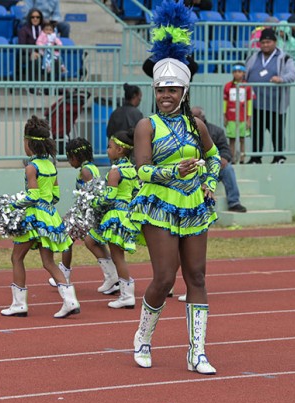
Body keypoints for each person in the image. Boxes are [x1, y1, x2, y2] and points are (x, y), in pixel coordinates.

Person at [129, 0, 219, 375]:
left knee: (196, 276)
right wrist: (173, 172)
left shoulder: (197, 126)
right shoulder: (146, 126)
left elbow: (214, 157)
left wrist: (209, 182)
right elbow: (142, 171)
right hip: (159, 205)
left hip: (194, 205)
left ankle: (197, 352)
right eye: (161, 89)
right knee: (165, 277)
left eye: (172, 89)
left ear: (184, 91)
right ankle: (143, 337)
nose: (166, 95)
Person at [1, 115, 79, 319]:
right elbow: (56, 196)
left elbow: (33, 196)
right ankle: (70, 300)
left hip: (34, 217)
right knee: (48, 262)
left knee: (17, 257)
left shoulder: (31, 167)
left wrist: (11, 205)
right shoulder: (51, 166)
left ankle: (19, 305)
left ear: (29, 143)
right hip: (50, 217)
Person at [47, 137, 121, 295]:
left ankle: (64, 275)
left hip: (87, 213)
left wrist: (78, 214)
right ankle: (112, 276)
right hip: (87, 211)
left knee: (67, 239)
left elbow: (91, 194)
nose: (69, 161)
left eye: (69, 157)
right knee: (93, 243)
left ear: (76, 156)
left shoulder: (86, 171)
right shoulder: (91, 167)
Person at [87, 129, 141, 309]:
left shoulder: (115, 172)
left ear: (119, 149)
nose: (107, 150)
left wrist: (94, 202)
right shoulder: (132, 170)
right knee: (95, 242)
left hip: (116, 216)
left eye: (109, 147)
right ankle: (118, 285)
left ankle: (127, 295)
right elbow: (136, 192)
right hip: (126, 215)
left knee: (118, 257)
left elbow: (109, 197)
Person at [245, 28, 295, 164]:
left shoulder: (284, 58)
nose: (265, 45)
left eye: (268, 42)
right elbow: (245, 73)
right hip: (256, 104)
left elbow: (293, 74)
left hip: (276, 105)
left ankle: (279, 157)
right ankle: (256, 157)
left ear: (275, 42)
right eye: (262, 42)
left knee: (277, 132)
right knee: (256, 132)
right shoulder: (253, 57)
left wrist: (281, 79)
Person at [193, 106, 247, 213]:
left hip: (212, 165)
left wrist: (224, 158)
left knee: (228, 169)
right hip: (194, 166)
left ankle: (234, 202)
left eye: (196, 116)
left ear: (203, 117)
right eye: (191, 115)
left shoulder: (216, 131)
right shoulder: (183, 131)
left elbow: (224, 148)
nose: (193, 118)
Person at [223, 63, 253, 164]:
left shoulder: (247, 87)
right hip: (231, 117)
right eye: (235, 71)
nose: (237, 74)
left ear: (244, 73)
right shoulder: (227, 86)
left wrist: (249, 118)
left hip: (243, 118)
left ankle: (242, 159)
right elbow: (225, 102)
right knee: (231, 140)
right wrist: (224, 115)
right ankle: (232, 158)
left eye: (239, 71)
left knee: (242, 139)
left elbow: (249, 103)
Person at [17, 7, 44, 83]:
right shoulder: (24, 30)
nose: (35, 19)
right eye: (33, 17)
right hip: (26, 54)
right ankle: (32, 85)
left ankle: (51, 86)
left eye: (37, 17)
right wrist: (31, 52)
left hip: (42, 53)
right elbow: (22, 45)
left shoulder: (44, 29)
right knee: (36, 60)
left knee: (55, 59)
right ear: (29, 18)